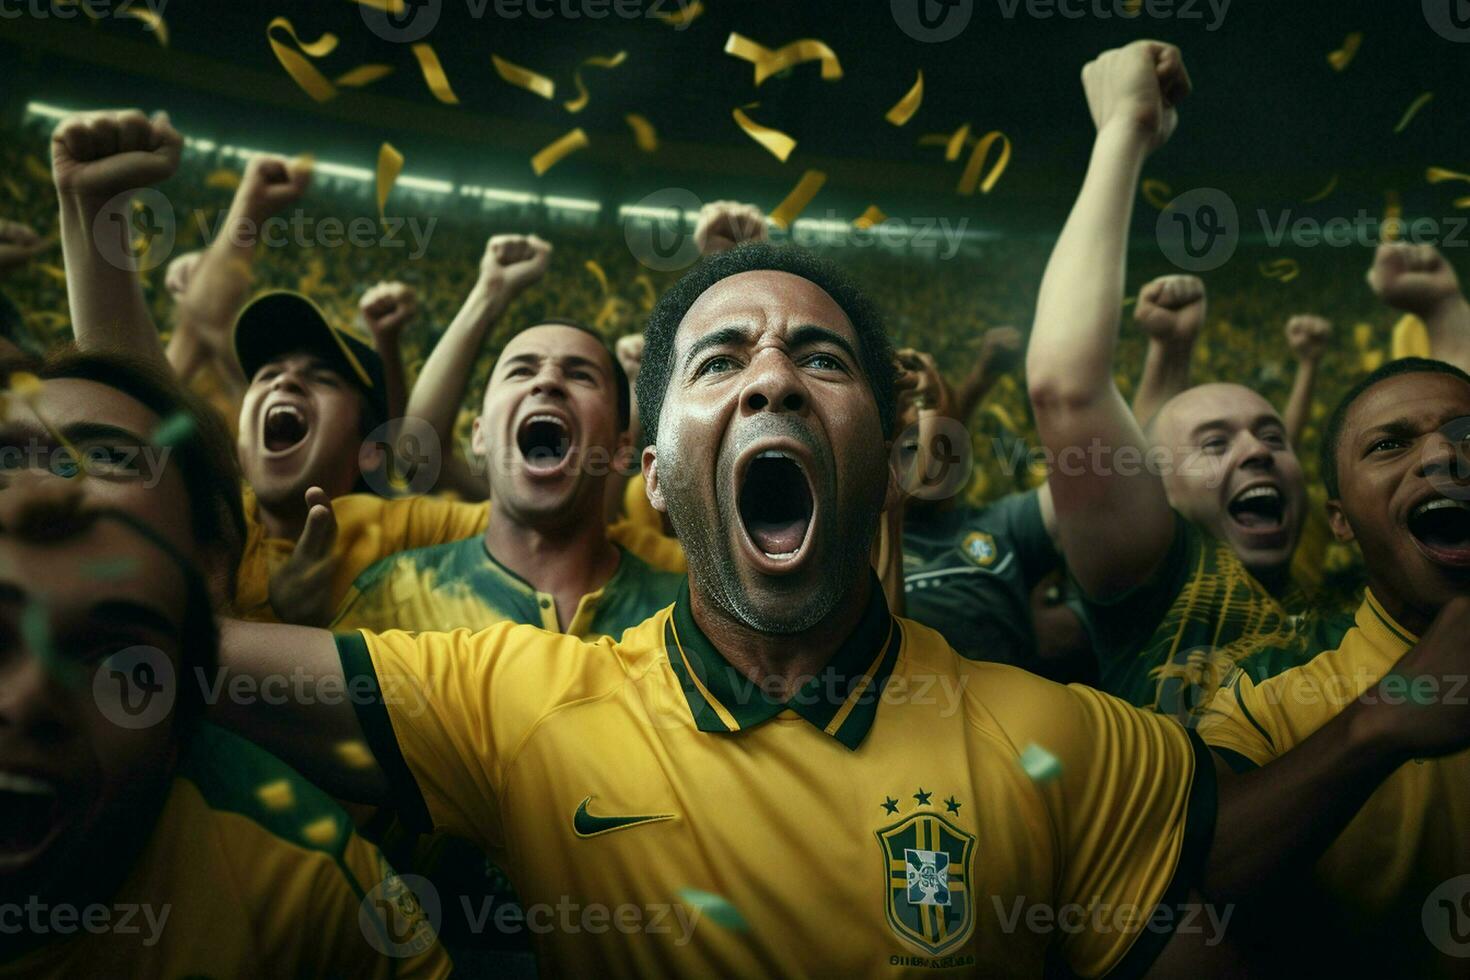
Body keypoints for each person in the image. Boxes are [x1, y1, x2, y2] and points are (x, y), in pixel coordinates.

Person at [211, 233, 1242, 974]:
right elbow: (174, 653)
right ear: (652, 476)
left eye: (821, 358)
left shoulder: (1069, 742)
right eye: (720, 360)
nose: (772, 382)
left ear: (888, 465)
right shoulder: (514, 701)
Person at [0, 353, 449, 978]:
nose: (38, 489)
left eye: (105, 457)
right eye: (3, 457)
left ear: (210, 565)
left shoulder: (306, 881)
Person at [47, 109, 490, 625]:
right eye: (267, 372)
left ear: (365, 449)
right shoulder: (218, 518)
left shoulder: (406, 528)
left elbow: (535, 524)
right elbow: (141, 403)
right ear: (236, 439)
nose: (286, 377)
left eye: (323, 377)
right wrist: (93, 207)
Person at [1024, 61, 1349, 713]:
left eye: (1272, 435)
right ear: (1153, 492)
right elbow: (1067, 387)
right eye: (1214, 443)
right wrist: (1125, 128)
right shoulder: (1161, 591)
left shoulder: (1361, 595)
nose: (1256, 451)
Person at [1198, 357, 1470, 977]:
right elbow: (1196, 881)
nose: (1442, 458)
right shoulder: (1267, 694)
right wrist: (1382, 723)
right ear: (1341, 520)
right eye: (1390, 444)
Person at [333, 319, 682, 637]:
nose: (547, 381)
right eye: (520, 371)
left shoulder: (683, 615)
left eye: (581, 375)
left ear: (623, 449)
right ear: (480, 435)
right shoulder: (392, 597)